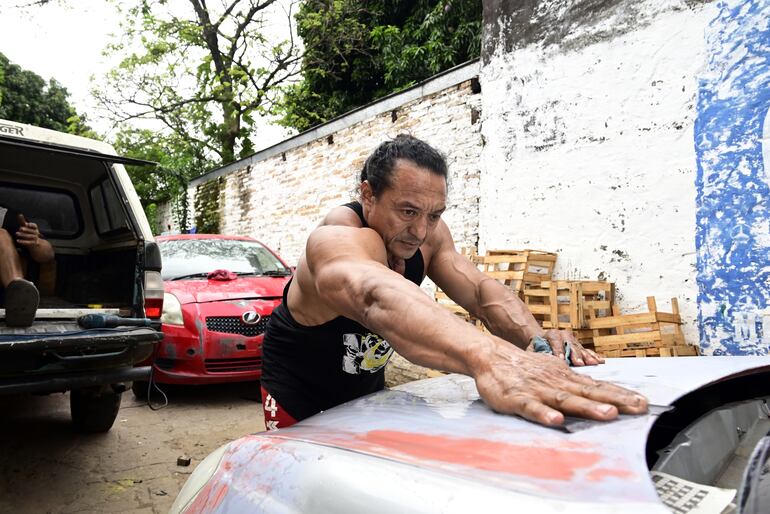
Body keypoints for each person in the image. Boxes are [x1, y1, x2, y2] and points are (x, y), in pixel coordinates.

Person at [261, 134, 648, 430]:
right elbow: (372, 295)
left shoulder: (428, 234)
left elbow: (479, 291)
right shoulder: (335, 238)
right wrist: (492, 358)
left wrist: (537, 341)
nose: (420, 230)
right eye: (407, 211)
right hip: (299, 393)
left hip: (364, 389)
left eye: (433, 214)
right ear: (368, 194)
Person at [0, 206, 54, 327]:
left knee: (1, 235)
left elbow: (47, 254)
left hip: (3, 300)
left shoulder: (4, 216)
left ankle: (19, 302)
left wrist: (37, 242)